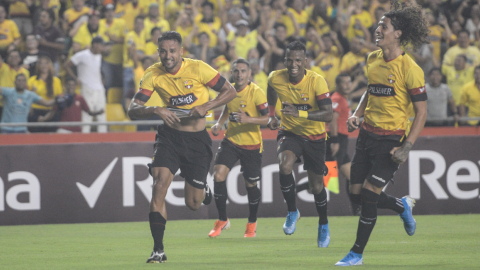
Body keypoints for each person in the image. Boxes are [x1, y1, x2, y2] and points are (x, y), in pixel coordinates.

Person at [127, 31, 236, 263]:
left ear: (181, 52)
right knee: (158, 185)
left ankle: (203, 189)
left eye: (172, 51)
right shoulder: (152, 74)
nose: (168, 56)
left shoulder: (198, 68)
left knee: (194, 204)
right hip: (170, 138)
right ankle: (158, 250)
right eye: (163, 51)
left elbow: (230, 91)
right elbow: (132, 109)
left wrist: (207, 105)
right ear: (158, 53)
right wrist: (155, 109)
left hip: (196, 140)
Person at [336, 2, 429, 266]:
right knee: (355, 194)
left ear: (397, 33)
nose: (377, 29)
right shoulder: (372, 59)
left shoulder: (410, 68)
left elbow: (422, 113)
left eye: (383, 26)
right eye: (378, 25)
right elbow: (370, 89)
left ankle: (356, 253)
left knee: (368, 195)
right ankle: (401, 206)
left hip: (391, 139)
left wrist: (406, 147)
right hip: (366, 136)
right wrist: (357, 114)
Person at [266, 41, 333, 246]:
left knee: (316, 186)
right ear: (285, 60)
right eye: (289, 60)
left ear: (305, 61)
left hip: (315, 137)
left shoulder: (317, 81)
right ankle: (293, 211)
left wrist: (299, 112)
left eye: (298, 60)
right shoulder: (275, 77)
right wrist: (272, 115)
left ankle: (323, 224)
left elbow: (328, 114)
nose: (293, 64)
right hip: (290, 132)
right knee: (285, 165)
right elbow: (271, 90)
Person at [208, 59, 269, 238]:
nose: (239, 74)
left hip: (252, 145)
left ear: (249, 74)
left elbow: (267, 119)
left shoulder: (257, 92)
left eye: (243, 71)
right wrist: (219, 123)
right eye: (236, 71)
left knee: (251, 185)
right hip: (231, 140)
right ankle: (222, 219)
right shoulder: (229, 90)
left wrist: (248, 119)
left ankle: (251, 223)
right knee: (218, 174)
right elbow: (228, 107)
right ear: (232, 73)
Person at [65, 37, 107, 133]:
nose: (102, 48)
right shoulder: (82, 55)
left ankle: (104, 139)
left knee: (102, 116)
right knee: (86, 116)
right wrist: (76, 78)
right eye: (101, 46)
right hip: (86, 88)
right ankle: (84, 138)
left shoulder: (99, 56)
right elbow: (67, 65)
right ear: (95, 45)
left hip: (99, 89)